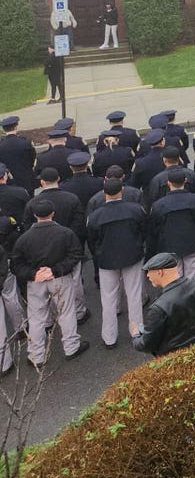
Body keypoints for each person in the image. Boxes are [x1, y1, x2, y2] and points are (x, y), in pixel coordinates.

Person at [11, 200, 88, 366]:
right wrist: (56, 270)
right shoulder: (65, 233)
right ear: (53, 213)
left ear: (34, 215)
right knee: (66, 312)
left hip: (36, 282)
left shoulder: (24, 239)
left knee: (37, 319)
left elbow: (16, 264)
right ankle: (71, 346)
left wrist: (33, 274)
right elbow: (76, 254)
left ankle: (36, 355)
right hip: (60, 278)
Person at [87, 179, 146, 349]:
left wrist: (98, 255)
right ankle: (138, 332)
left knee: (108, 298)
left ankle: (109, 337)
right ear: (122, 190)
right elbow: (143, 231)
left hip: (106, 260)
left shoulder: (95, 216)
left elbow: (92, 241)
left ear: (104, 193)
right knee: (134, 295)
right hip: (132, 256)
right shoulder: (135, 210)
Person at [131, 252, 195, 357]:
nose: (147, 276)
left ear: (160, 272)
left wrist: (135, 335)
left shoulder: (158, 308)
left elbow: (146, 344)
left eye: (149, 272)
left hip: (172, 360)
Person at [0, 116, 36, 192]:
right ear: (16, 127)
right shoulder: (26, 143)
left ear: (3, 129)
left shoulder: (1, 145)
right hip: (26, 178)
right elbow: (32, 158)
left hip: (10, 179)